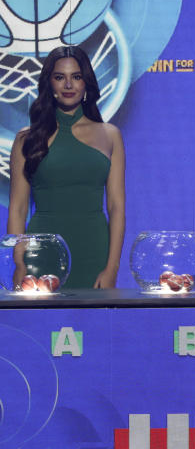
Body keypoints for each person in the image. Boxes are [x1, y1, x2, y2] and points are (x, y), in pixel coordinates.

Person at [7, 46, 126, 289]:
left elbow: (116, 207)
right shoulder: (26, 139)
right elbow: (18, 208)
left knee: (95, 325)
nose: (69, 85)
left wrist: (112, 267)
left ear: (86, 84)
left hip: (94, 250)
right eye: (60, 77)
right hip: (41, 253)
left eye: (77, 77)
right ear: (49, 84)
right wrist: (19, 263)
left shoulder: (110, 135)